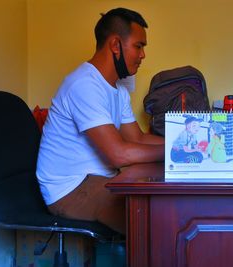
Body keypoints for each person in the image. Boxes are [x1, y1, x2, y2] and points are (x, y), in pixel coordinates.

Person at [36, 7, 164, 235]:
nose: (143, 55)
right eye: (139, 46)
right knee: (153, 221)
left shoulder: (118, 89)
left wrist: (183, 143)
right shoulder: (84, 85)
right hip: (71, 189)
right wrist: (178, 150)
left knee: (162, 198)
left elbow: (137, 138)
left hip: (98, 179)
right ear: (116, 45)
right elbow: (119, 154)